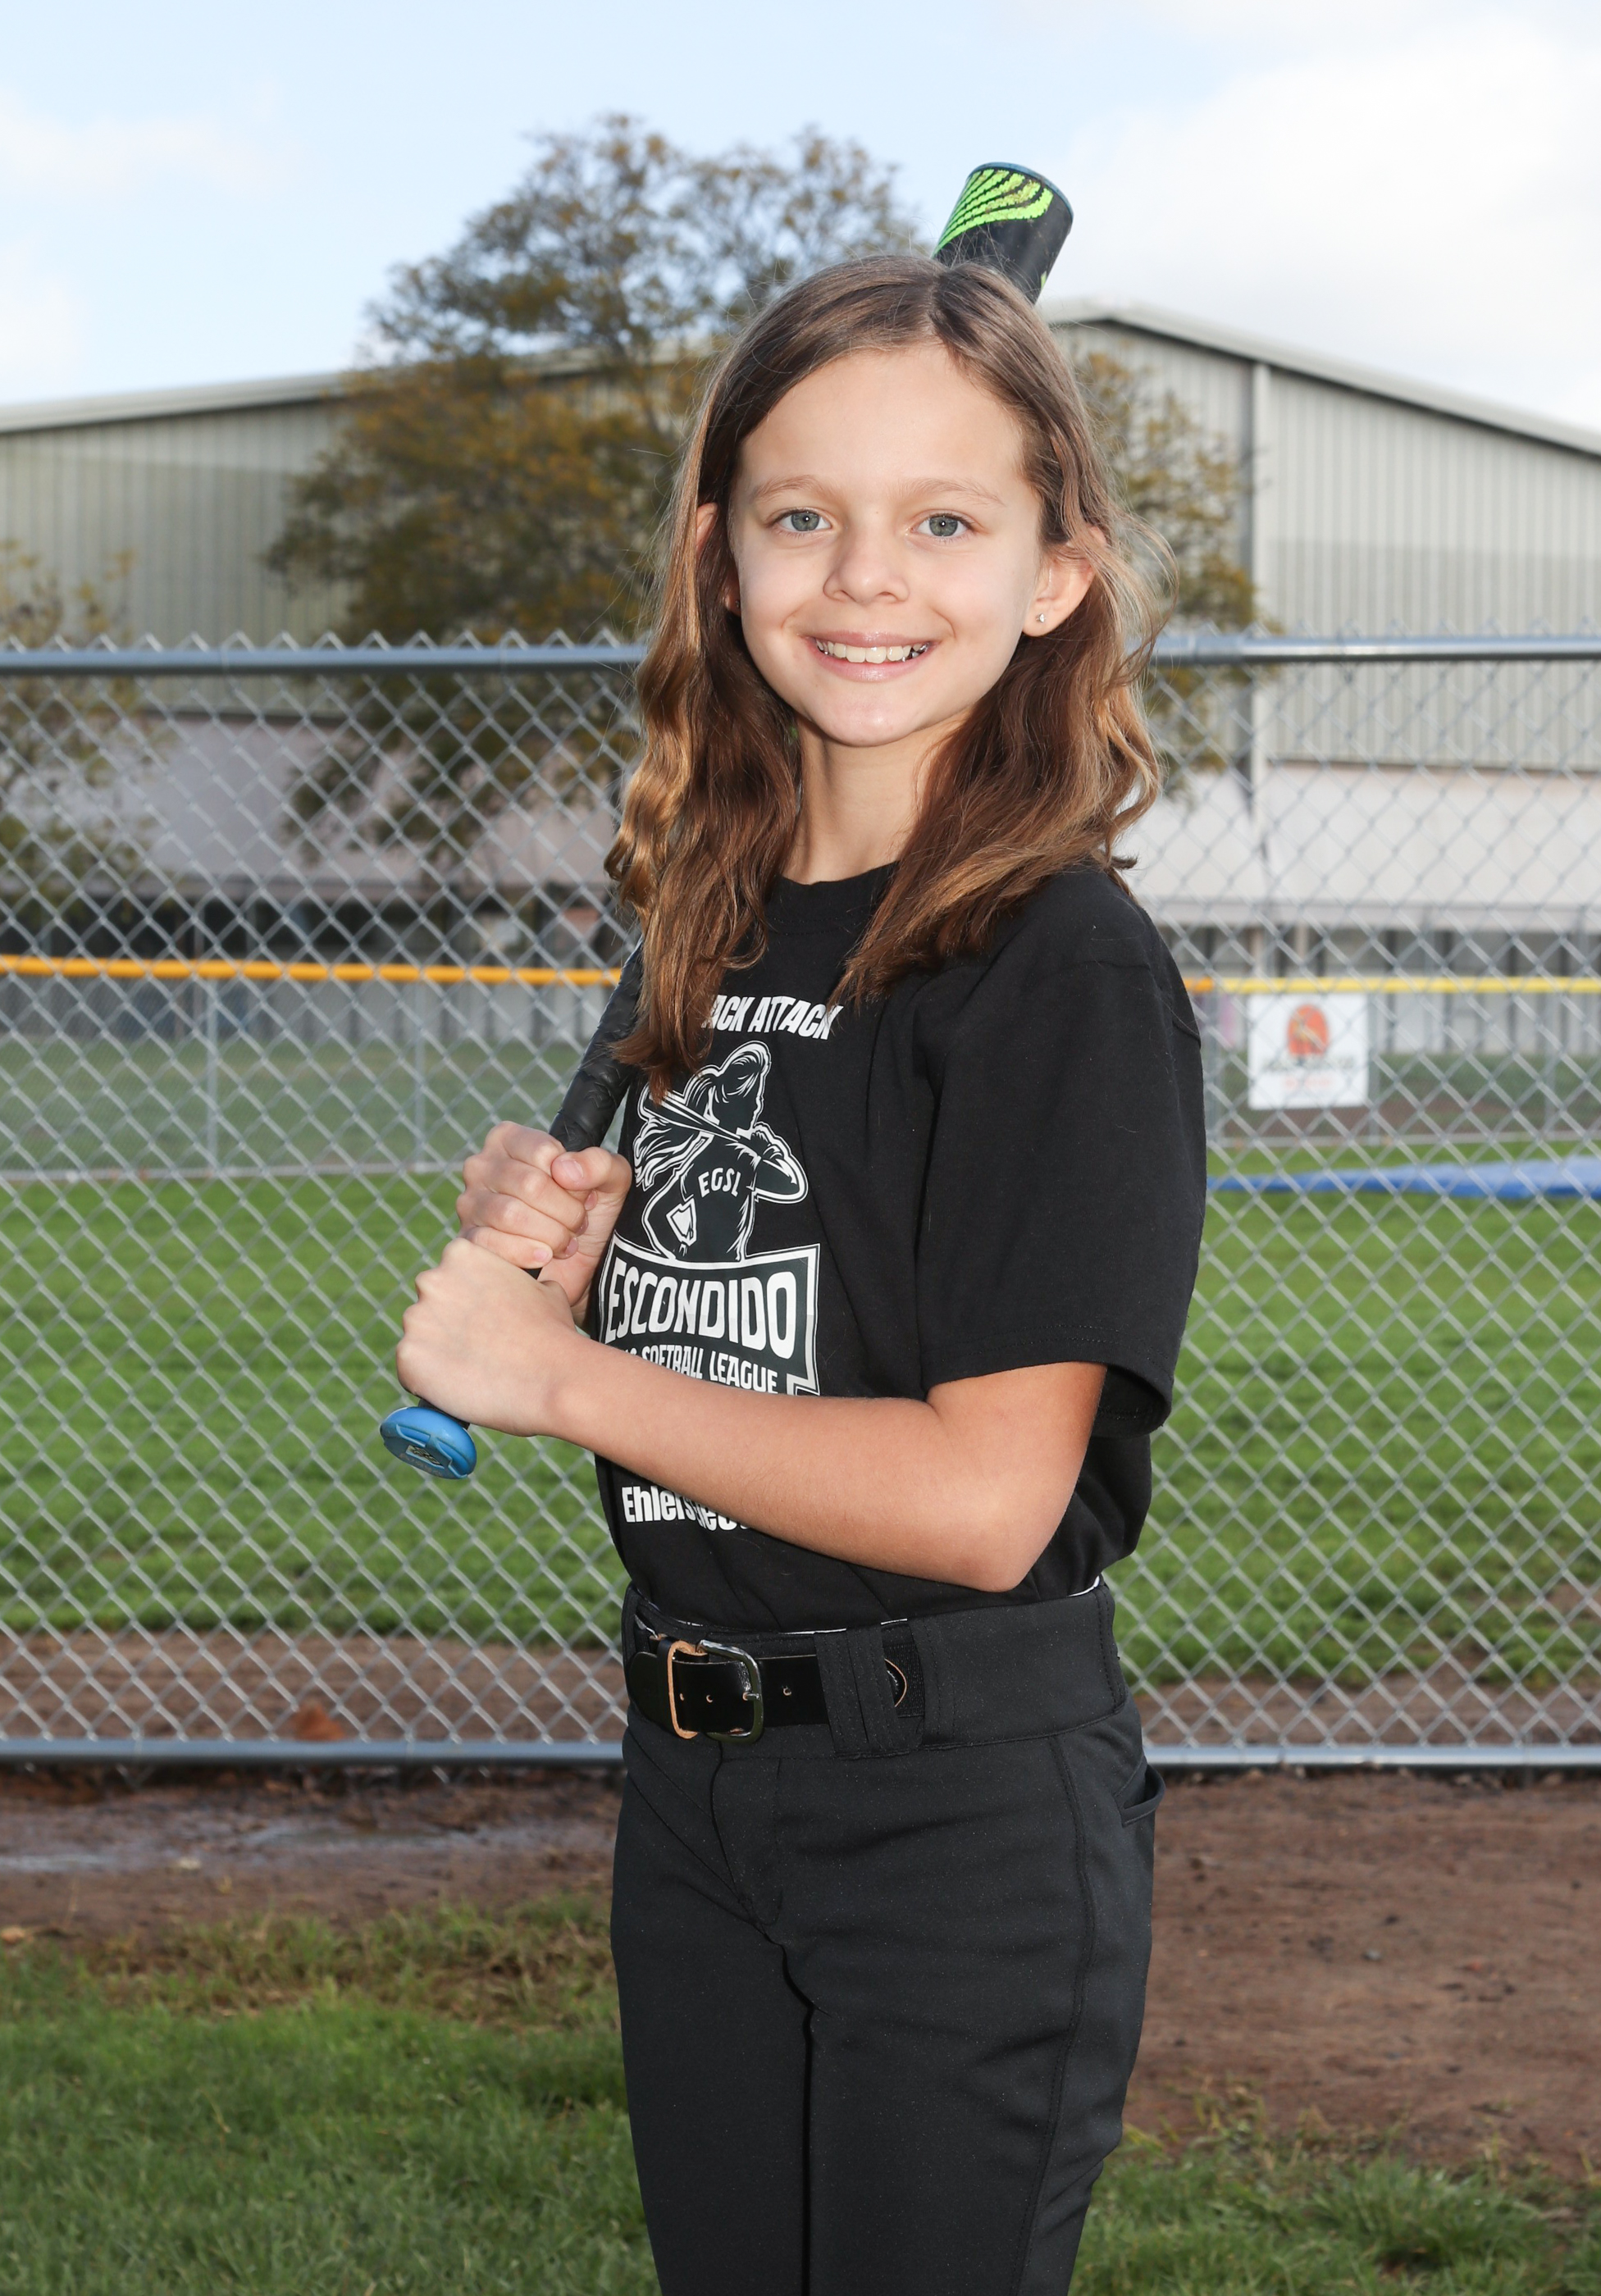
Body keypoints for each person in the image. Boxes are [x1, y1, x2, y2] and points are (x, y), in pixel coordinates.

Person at [397, 254, 1206, 2296]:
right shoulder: (722, 916)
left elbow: (984, 1497)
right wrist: (579, 1267)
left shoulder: (1055, 964)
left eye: (943, 518)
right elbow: (776, 1327)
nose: (864, 576)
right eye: (801, 513)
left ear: (1054, 575)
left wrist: (554, 1381)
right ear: (720, 554)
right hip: (697, 1774)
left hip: (952, 1810)